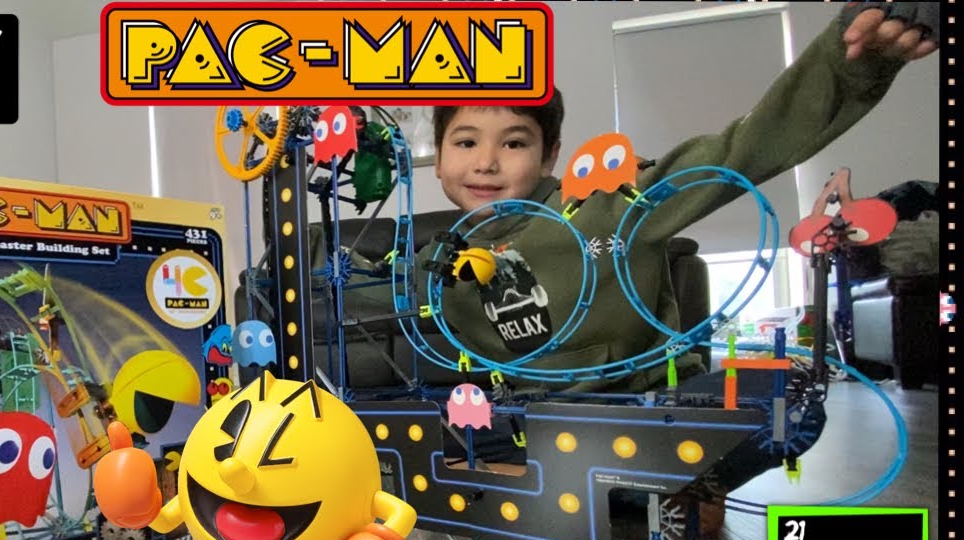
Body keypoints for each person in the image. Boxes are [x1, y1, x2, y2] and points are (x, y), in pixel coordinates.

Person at [297, 4, 938, 502]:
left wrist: (852, 63)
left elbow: (741, 149)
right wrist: (290, 276)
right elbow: (361, 290)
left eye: (514, 142)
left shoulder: (611, 203)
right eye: (465, 142)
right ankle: (615, 495)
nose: (486, 162)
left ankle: (670, 489)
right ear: (439, 160)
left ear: (549, 153)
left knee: (785, 396)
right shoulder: (436, 260)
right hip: (534, 433)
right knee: (424, 436)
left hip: (648, 417)